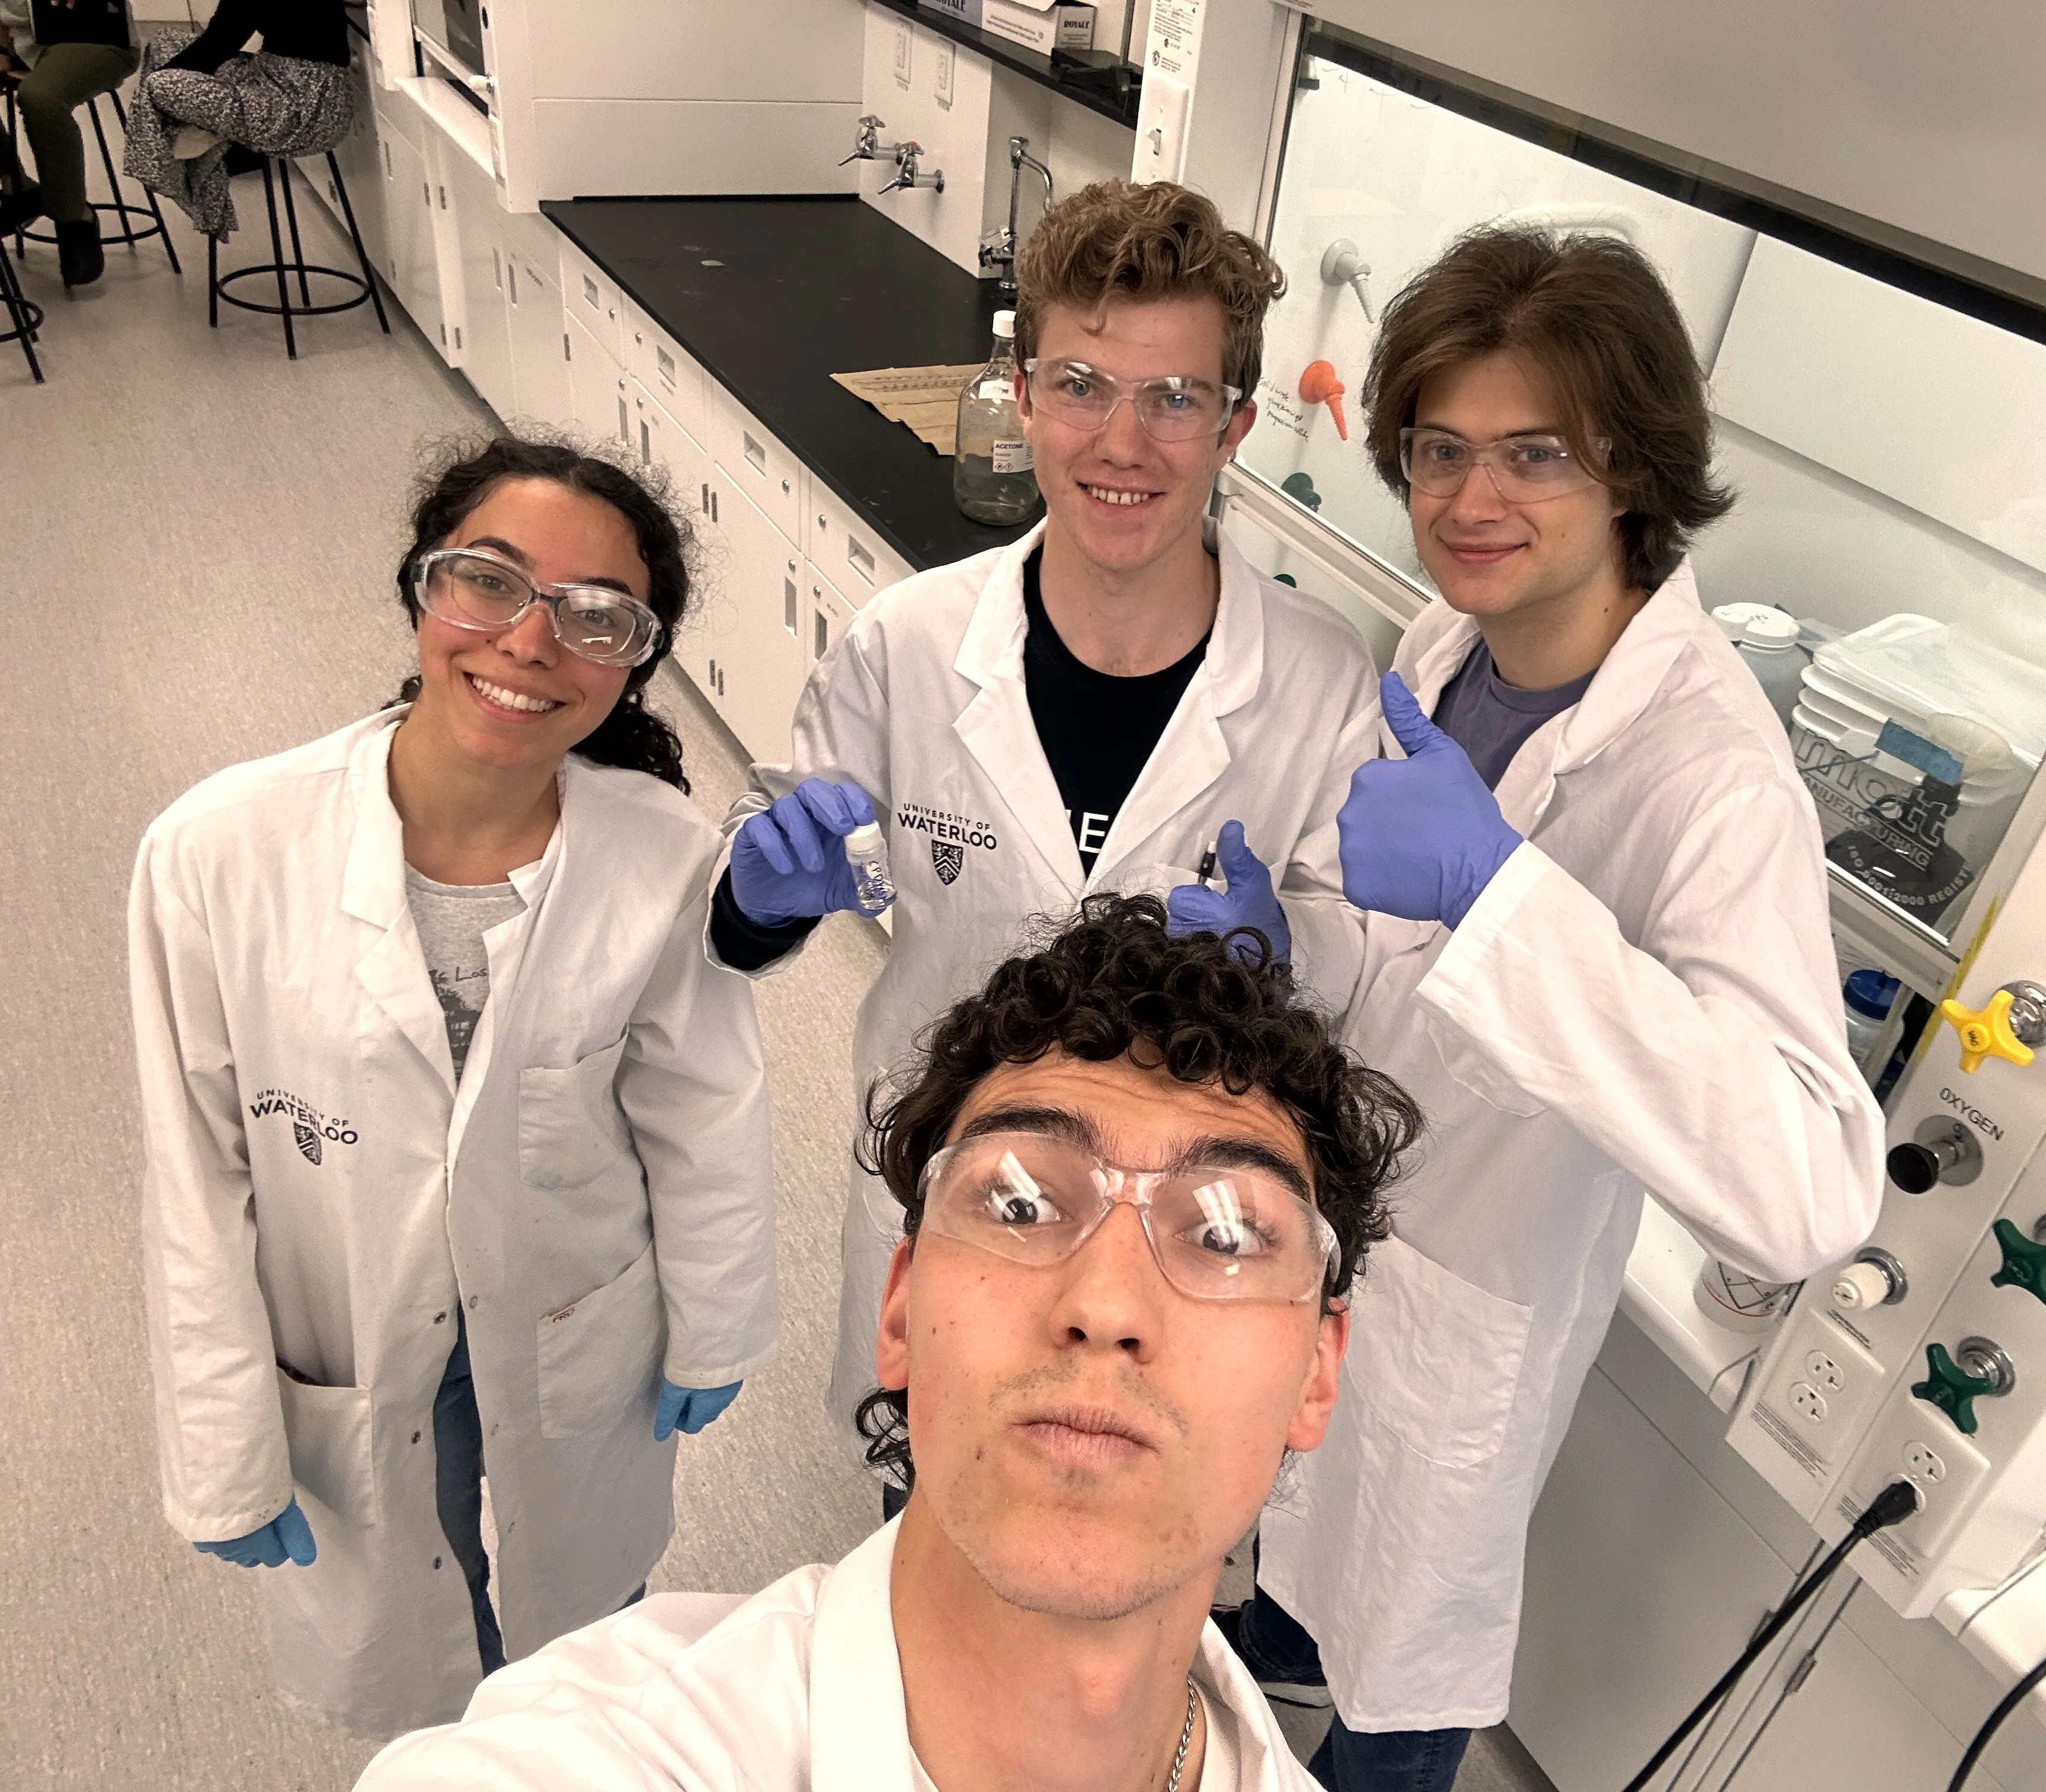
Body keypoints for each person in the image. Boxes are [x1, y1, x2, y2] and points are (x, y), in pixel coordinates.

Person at [1195, 228, 1886, 1791]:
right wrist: (1271, 953)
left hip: (1450, 1345)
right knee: (1234, 1677)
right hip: (1307, 1272)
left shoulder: (1713, 780)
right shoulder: (1451, 642)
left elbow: (1803, 1189)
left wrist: (1502, 895)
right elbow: (1398, 972)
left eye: (1534, 455)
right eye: (1439, 450)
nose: (1469, 502)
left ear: (1634, 468)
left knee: (1381, 1712)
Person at [354, 895, 1421, 1790]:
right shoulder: (596, 1754)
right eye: (1017, 1202)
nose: (1105, 1300)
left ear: (1317, 1370)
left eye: (1226, 1230)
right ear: (900, 1306)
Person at [707, 178, 1381, 1487]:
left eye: (1174, 398)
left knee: (1144, 1513)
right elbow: (771, 871)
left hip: (1183, 1214)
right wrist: (757, 896)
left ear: (1236, 423)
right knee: (931, 1485)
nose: (1122, 442)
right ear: (1023, 392)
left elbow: (1359, 957)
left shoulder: (1317, 682)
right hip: (949, 1163)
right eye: (1082, 384)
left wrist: (1288, 949)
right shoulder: (906, 646)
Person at [130, 437, 779, 1737]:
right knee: (419, 1653)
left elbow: (703, 1109)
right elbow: (193, 1177)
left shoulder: (657, 853)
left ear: (634, 662)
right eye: (490, 581)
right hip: (360, 1333)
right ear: (422, 591)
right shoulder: (219, 852)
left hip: (573, 1325)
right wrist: (222, 1443)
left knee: (585, 1641)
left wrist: (718, 1317)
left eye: (599, 616)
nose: (533, 642)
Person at [121, 0, 356, 244]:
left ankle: (186, 157)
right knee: (164, 45)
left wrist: (157, 94)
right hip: (307, 92)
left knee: (158, 85)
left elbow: (220, 42)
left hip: (296, 113)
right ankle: (204, 135)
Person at [0, 0, 140, 287]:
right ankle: (16, 185)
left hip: (91, 38)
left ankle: (74, 218)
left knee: (40, 98)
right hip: (17, 43)